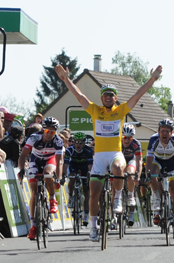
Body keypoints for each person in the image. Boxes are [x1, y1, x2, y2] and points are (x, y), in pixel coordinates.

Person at [55, 63, 162, 242]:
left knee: (119, 168)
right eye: (105, 95)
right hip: (99, 157)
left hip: (114, 153)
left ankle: (118, 198)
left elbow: (138, 95)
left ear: (115, 97)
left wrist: (152, 79)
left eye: (111, 95)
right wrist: (67, 80)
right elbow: (79, 95)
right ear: (101, 98)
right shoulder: (95, 111)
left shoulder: (120, 111)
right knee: (94, 191)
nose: (108, 97)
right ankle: (93, 226)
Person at [18, 117, 63, 240]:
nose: (50, 135)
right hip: (35, 160)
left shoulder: (58, 141)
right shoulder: (34, 138)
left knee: (48, 173)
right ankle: (33, 225)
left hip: (50, 159)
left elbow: (59, 162)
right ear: (43, 130)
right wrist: (21, 170)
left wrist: (58, 178)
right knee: (34, 192)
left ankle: (52, 199)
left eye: (53, 132)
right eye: (47, 131)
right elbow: (23, 156)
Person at [146, 118, 174, 238]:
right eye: (162, 130)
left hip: (172, 163)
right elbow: (149, 159)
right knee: (153, 172)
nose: (165, 133)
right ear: (158, 131)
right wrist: (148, 174)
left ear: (171, 133)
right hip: (158, 162)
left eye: (167, 131)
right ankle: (157, 197)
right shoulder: (153, 139)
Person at [63, 132, 94, 226]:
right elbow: (65, 164)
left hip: (85, 167)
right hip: (74, 166)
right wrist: (63, 175)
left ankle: (85, 215)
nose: (78, 145)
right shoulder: (69, 150)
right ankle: (71, 197)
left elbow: (90, 166)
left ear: (84, 143)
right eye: (76, 142)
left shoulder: (88, 151)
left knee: (86, 190)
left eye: (80, 143)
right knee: (72, 178)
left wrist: (90, 175)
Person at [121, 123, 143, 226]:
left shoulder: (136, 144)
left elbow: (139, 161)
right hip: (120, 161)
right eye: (124, 137)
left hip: (131, 161)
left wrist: (138, 175)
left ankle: (130, 196)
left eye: (129, 138)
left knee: (130, 175)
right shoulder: (117, 143)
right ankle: (112, 215)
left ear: (132, 137)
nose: (126, 140)